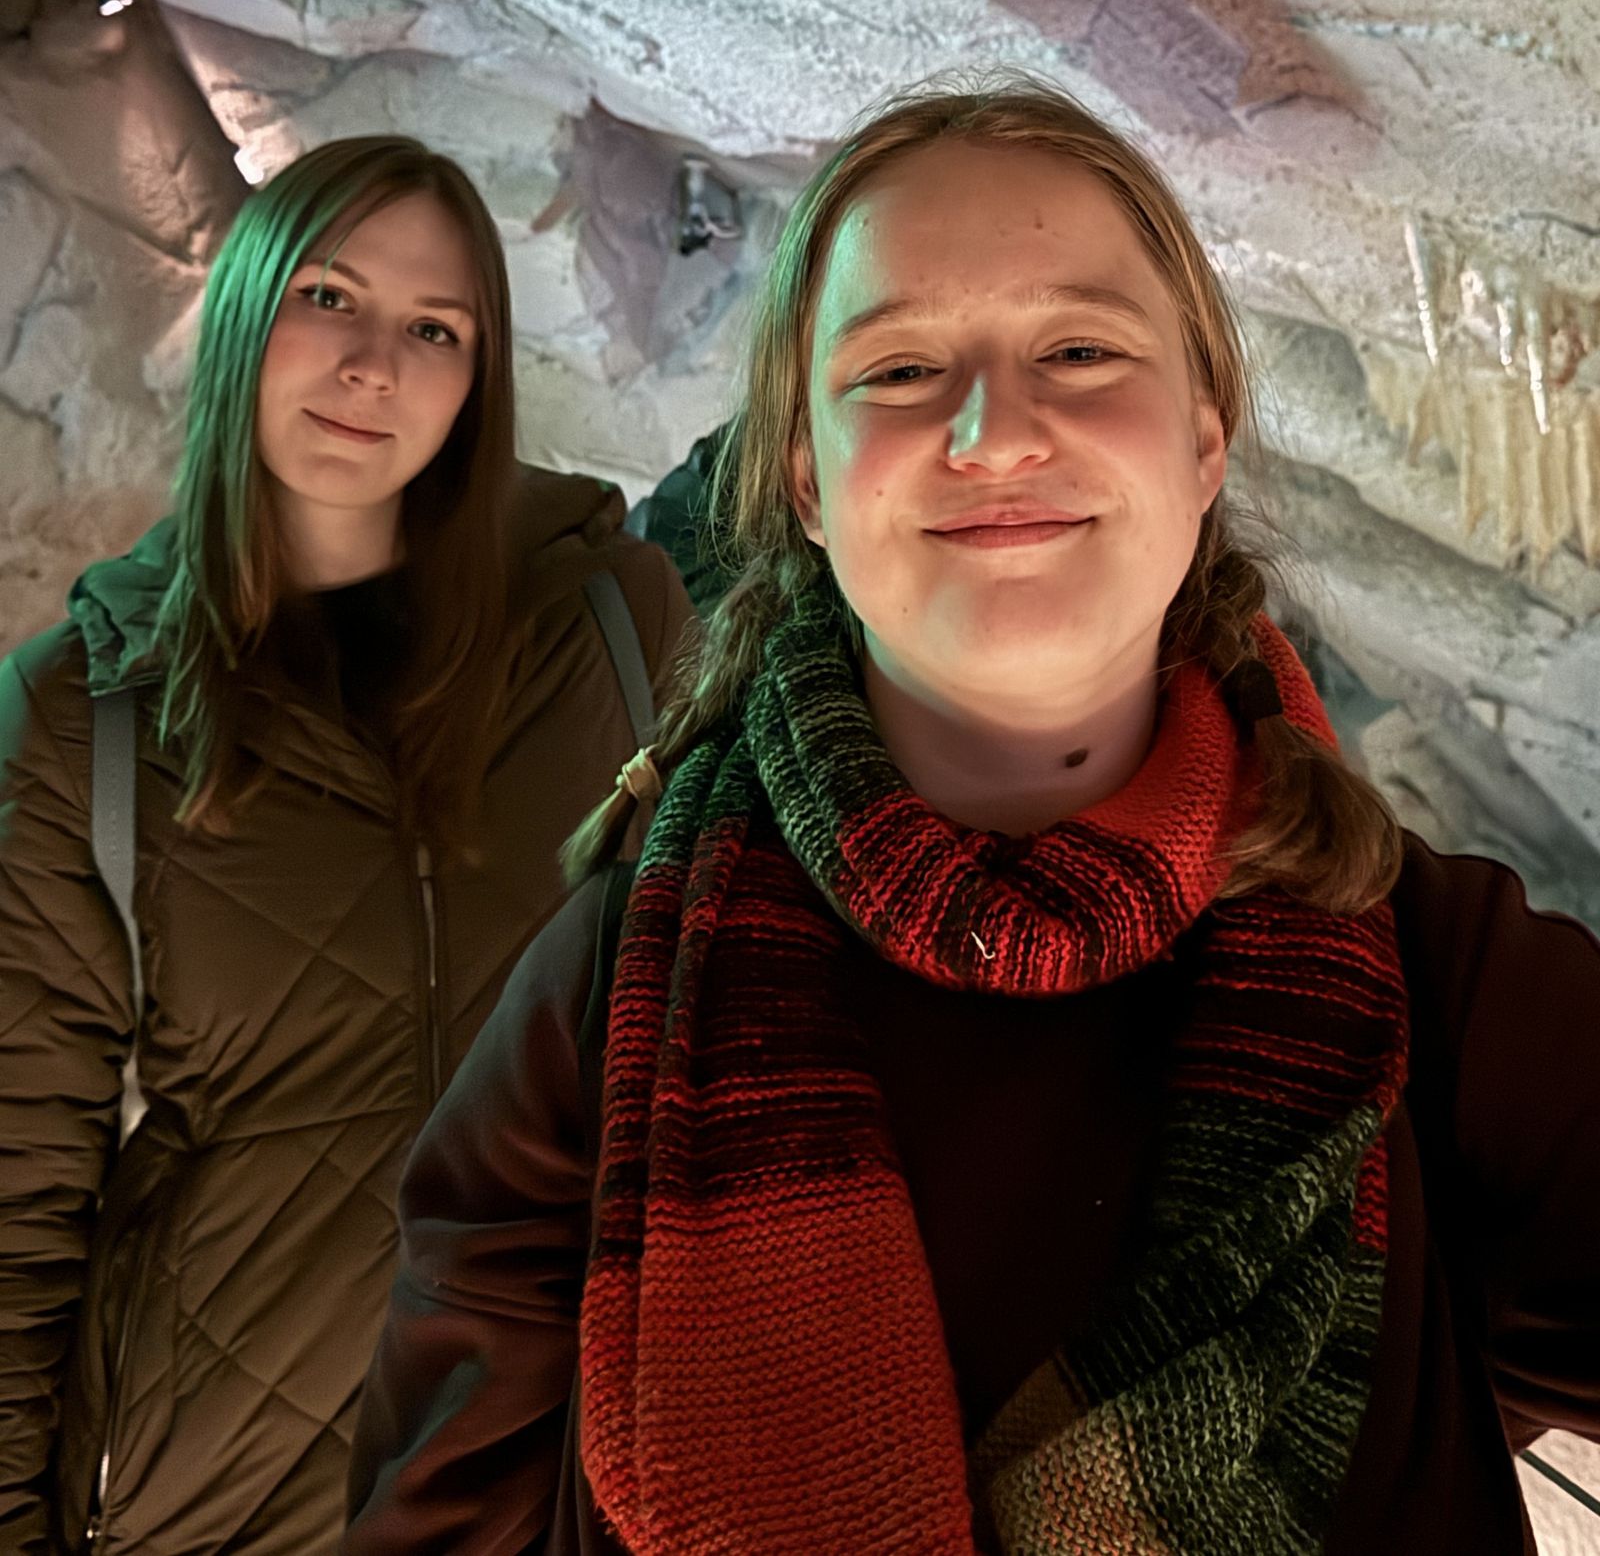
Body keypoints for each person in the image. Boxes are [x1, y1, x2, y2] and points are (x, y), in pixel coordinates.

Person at [345, 82, 1600, 1556]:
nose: (996, 430)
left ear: (1206, 440)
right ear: (806, 478)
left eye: (1079, 347)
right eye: (899, 370)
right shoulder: (615, 998)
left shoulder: (1445, 985)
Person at [0, 135, 693, 1556]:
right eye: (330, 296)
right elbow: (14, 1200)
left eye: (434, 327)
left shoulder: (613, 629)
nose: (375, 362)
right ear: (249, 311)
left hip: (561, 1479)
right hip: (229, 1505)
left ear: (479, 375)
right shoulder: (86, 715)